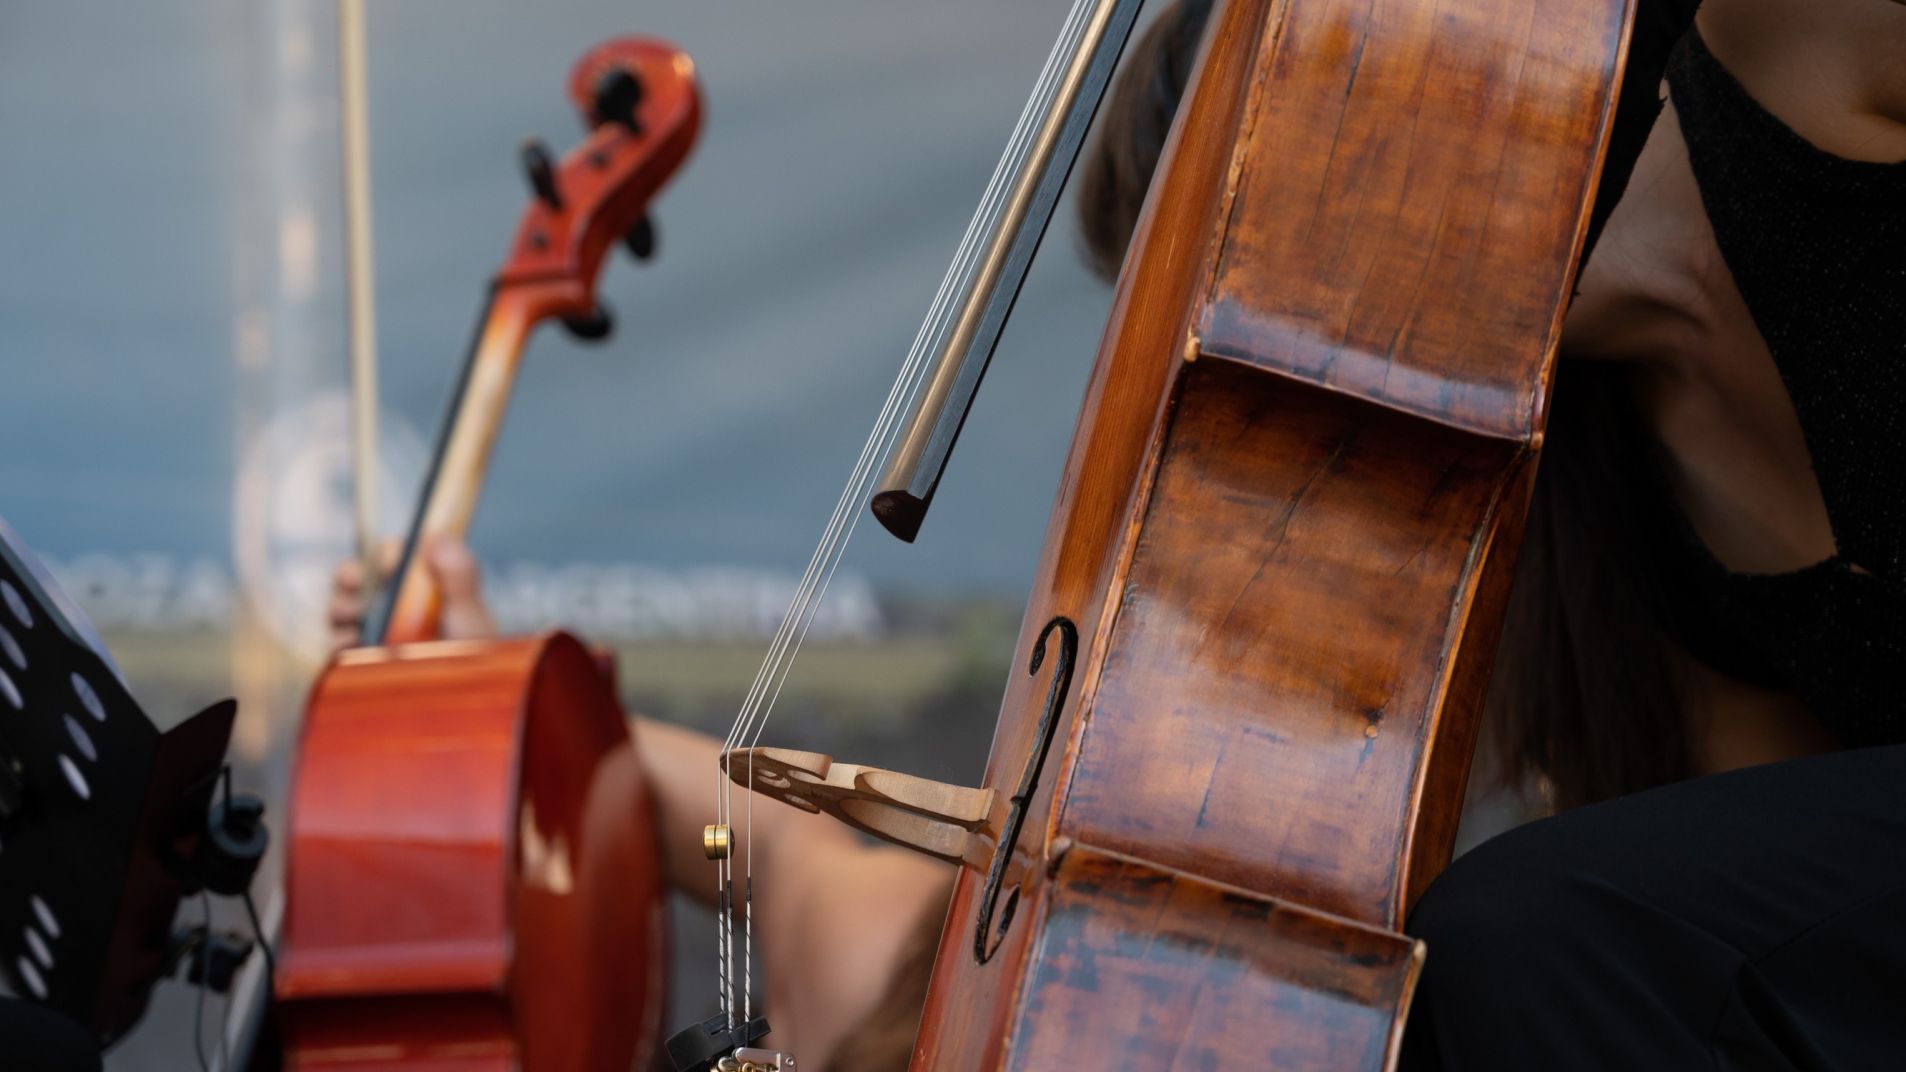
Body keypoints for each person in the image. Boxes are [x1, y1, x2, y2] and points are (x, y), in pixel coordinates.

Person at [332, 0, 1906, 1066]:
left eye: (1204, 302)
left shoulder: (1792, 55)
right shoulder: (1616, 520)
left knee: (1532, 943)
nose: (1246, 378)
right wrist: (516, 708)